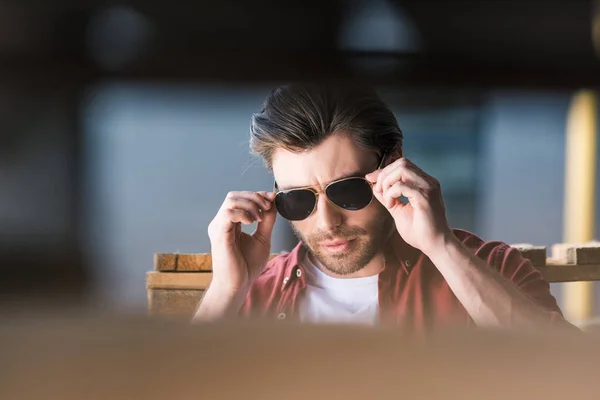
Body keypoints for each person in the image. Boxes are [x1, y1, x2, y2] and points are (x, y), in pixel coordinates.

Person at [193, 82, 573, 333]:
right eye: (298, 199)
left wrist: (441, 247)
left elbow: (571, 375)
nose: (327, 222)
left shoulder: (490, 269)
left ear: (394, 164)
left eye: (348, 192)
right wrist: (226, 290)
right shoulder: (250, 295)